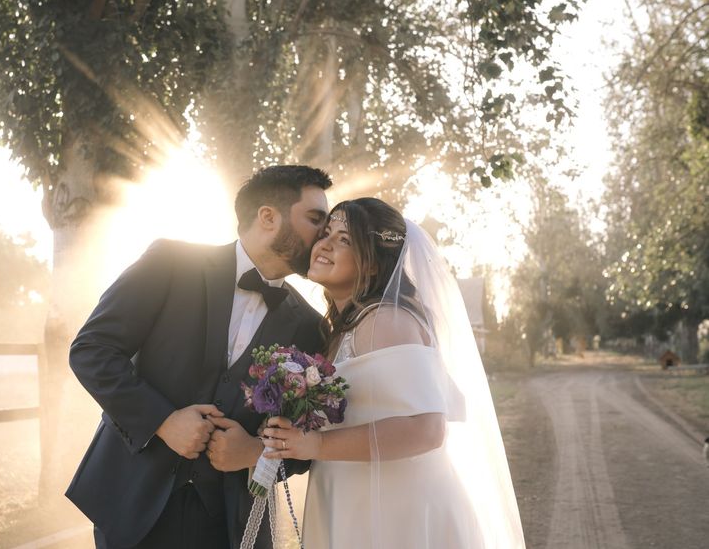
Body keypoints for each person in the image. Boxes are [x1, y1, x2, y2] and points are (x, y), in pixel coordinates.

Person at [65, 165, 331, 549]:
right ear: (269, 217)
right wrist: (163, 421)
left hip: (230, 522)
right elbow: (92, 350)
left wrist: (254, 452)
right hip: (133, 501)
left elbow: (310, 441)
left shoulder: (308, 326)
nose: (323, 233)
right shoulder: (171, 262)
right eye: (315, 218)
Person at [261, 198, 525, 548]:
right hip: (353, 499)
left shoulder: (387, 321)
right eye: (326, 233)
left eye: (344, 240)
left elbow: (426, 428)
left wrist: (317, 444)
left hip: (393, 512)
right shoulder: (348, 327)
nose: (324, 244)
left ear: (372, 266)